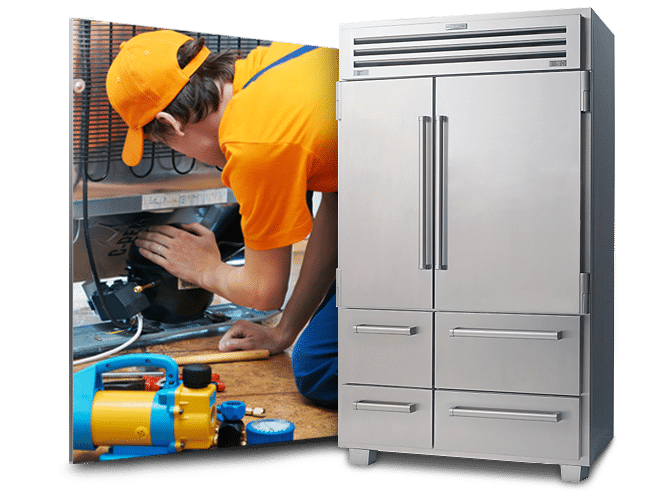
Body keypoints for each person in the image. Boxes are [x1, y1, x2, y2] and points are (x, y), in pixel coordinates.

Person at [106, 30, 338, 407]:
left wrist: (205, 270)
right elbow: (339, 206)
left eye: (163, 142)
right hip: (419, 162)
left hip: (438, 209)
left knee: (319, 366)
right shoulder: (276, 60)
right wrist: (285, 332)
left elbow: (264, 291)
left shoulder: (255, 145)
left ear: (172, 123)